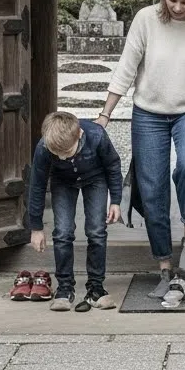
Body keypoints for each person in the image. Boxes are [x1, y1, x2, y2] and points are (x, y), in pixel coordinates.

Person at [101, 0, 185, 297]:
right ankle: (165, 268)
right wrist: (105, 115)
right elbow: (126, 68)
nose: (179, 8)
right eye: (173, 0)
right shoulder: (146, 19)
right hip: (149, 113)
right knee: (152, 188)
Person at [27, 111, 123, 312]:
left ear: (79, 134)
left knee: (96, 231)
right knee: (62, 232)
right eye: (57, 153)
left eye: (66, 152)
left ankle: (96, 288)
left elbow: (113, 166)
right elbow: (37, 185)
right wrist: (35, 227)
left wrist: (115, 200)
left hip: (95, 178)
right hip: (63, 181)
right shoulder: (44, 148)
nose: (61, 156)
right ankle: (64, 288)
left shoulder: (96, 136)